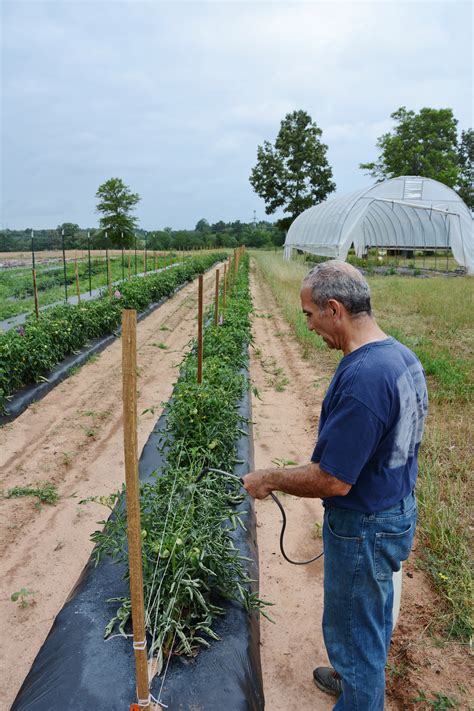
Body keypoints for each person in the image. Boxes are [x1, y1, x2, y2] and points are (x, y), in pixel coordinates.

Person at [243, 260, 428, 710]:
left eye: (308, 314)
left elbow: (333, 480)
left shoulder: (365, 379)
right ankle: (354, 677)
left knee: (353, 636)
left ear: (333, 309)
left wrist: (269, 478)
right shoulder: (398, 355)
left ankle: (358, 685)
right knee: (371, 616)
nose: (306, 325)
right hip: (394, 508)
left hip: (364, 525)